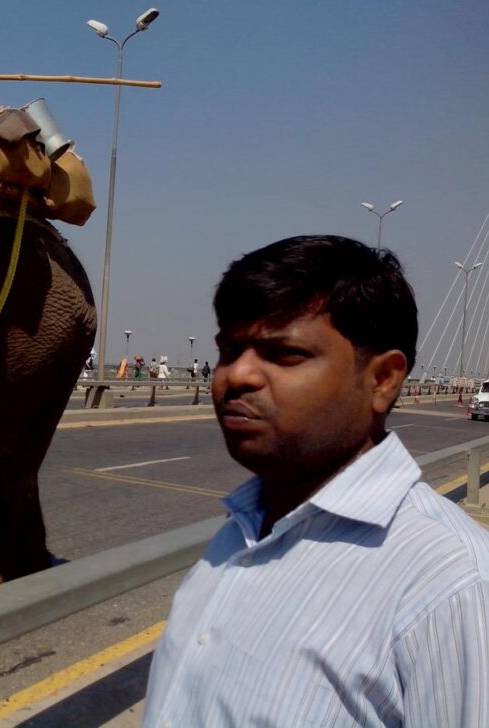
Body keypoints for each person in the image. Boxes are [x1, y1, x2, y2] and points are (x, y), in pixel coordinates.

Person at [142, 235, 489, 727]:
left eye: (284, 354)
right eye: (229, 348)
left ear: (383, 380)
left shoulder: (451, 585)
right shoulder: (243, 528)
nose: (236, 375)